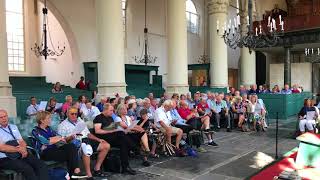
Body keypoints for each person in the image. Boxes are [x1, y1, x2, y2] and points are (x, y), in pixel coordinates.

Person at [32, 111, 88, 179]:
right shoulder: (35, 130)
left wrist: (71, 137)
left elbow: (61, 138)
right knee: (71, 154)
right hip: (45, 153)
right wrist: (55, 139)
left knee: (71, 146)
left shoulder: (49, 129)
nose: (50, 120)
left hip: (55, 149)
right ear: (42, 120)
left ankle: (75, 172)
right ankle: (74, 173)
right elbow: (45, 142)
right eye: (48, 118)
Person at [57, 107, 110, 179]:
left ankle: (96, 169)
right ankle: (89, 175)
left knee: (106, 145)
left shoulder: (80, 120)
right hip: (75, 144)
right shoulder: (62, 125)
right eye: (72, 114)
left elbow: (88, 134)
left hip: (86, 139)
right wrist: (71, 137)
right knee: (85, 147)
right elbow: (62, 142)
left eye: (76, 114)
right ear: (67, 114)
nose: (74, 115)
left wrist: (98, 139)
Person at [0, 109, 49, 180]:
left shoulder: (13, 127)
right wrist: (20, 149)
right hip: (5, 158)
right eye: (1, 117)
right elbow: (2, 147)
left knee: (40, 164)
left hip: (20, 154)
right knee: (27, 169)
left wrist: (23, 149)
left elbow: (21, 141)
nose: (4, 118)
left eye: (5, 116)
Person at [93, 103, 137, 175]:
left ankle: (125, 167)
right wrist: (111, 130)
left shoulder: (110, 118)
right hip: (104, 138)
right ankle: (135, 148)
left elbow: (113, 128)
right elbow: (97, 131)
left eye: (113, 110)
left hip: (112, 137)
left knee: (124, 143)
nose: (112, 112)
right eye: (111, 110)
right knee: (122, 135)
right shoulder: (98, 117)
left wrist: (117, 129)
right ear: (105, 110)